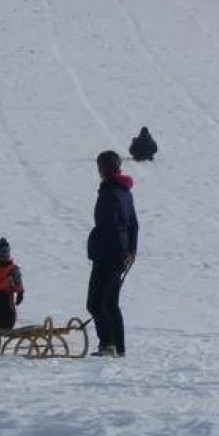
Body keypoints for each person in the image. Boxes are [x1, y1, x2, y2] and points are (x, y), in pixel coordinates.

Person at [87, 150, 139, 358]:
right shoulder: (124, 191)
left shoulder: (110, 193)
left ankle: (108, 345)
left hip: (109, 256)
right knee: (110, 302)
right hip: (119, 256)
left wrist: (118, 253)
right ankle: (118, 347)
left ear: (104, 169)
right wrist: (131, 252)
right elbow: (134, 225)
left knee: (95, 302)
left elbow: (111, 228)